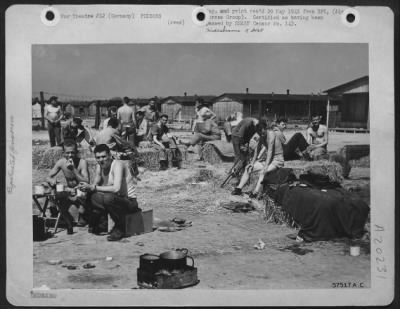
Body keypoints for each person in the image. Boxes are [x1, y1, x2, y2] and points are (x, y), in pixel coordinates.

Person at [78, 144, 140, 241]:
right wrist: (87, 189)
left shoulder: (118, 165)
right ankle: (102, 223)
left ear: (109, 155)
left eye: (104, 156)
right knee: (91, 196)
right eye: (98, 157)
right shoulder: (100, 166)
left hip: (129, 201)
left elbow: (116, 189)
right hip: (116, 199)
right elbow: (96, 182)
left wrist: (93, 187)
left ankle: (120, 227)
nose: (101, 160)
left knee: (108, 198)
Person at [46, 141, 90, 234]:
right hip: (68, 190)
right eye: (67, 153)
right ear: (63, 153)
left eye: (72, 152)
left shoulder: (82, 163)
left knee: (82, 193)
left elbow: (86, 182)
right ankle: (55, 212)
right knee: (52, 189)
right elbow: (48, 177)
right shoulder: (61, 162)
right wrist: (52, 181)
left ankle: (81, 213)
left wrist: (73, 169)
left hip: (80, 189)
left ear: (76, 152)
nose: (70, 155)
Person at [251, 123, 285, 198]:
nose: (261, 134)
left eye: (262, 132)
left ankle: (255, 193)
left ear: (265, 129)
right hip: (269, 160)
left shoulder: (271, 134)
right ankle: (239, 188)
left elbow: (269, 151)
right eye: (259, 132)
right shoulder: (261, 136)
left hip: (277, 160)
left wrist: (266, 166)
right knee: (250, 168)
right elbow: (257, 149)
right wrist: (252, 163)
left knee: (263, 172)